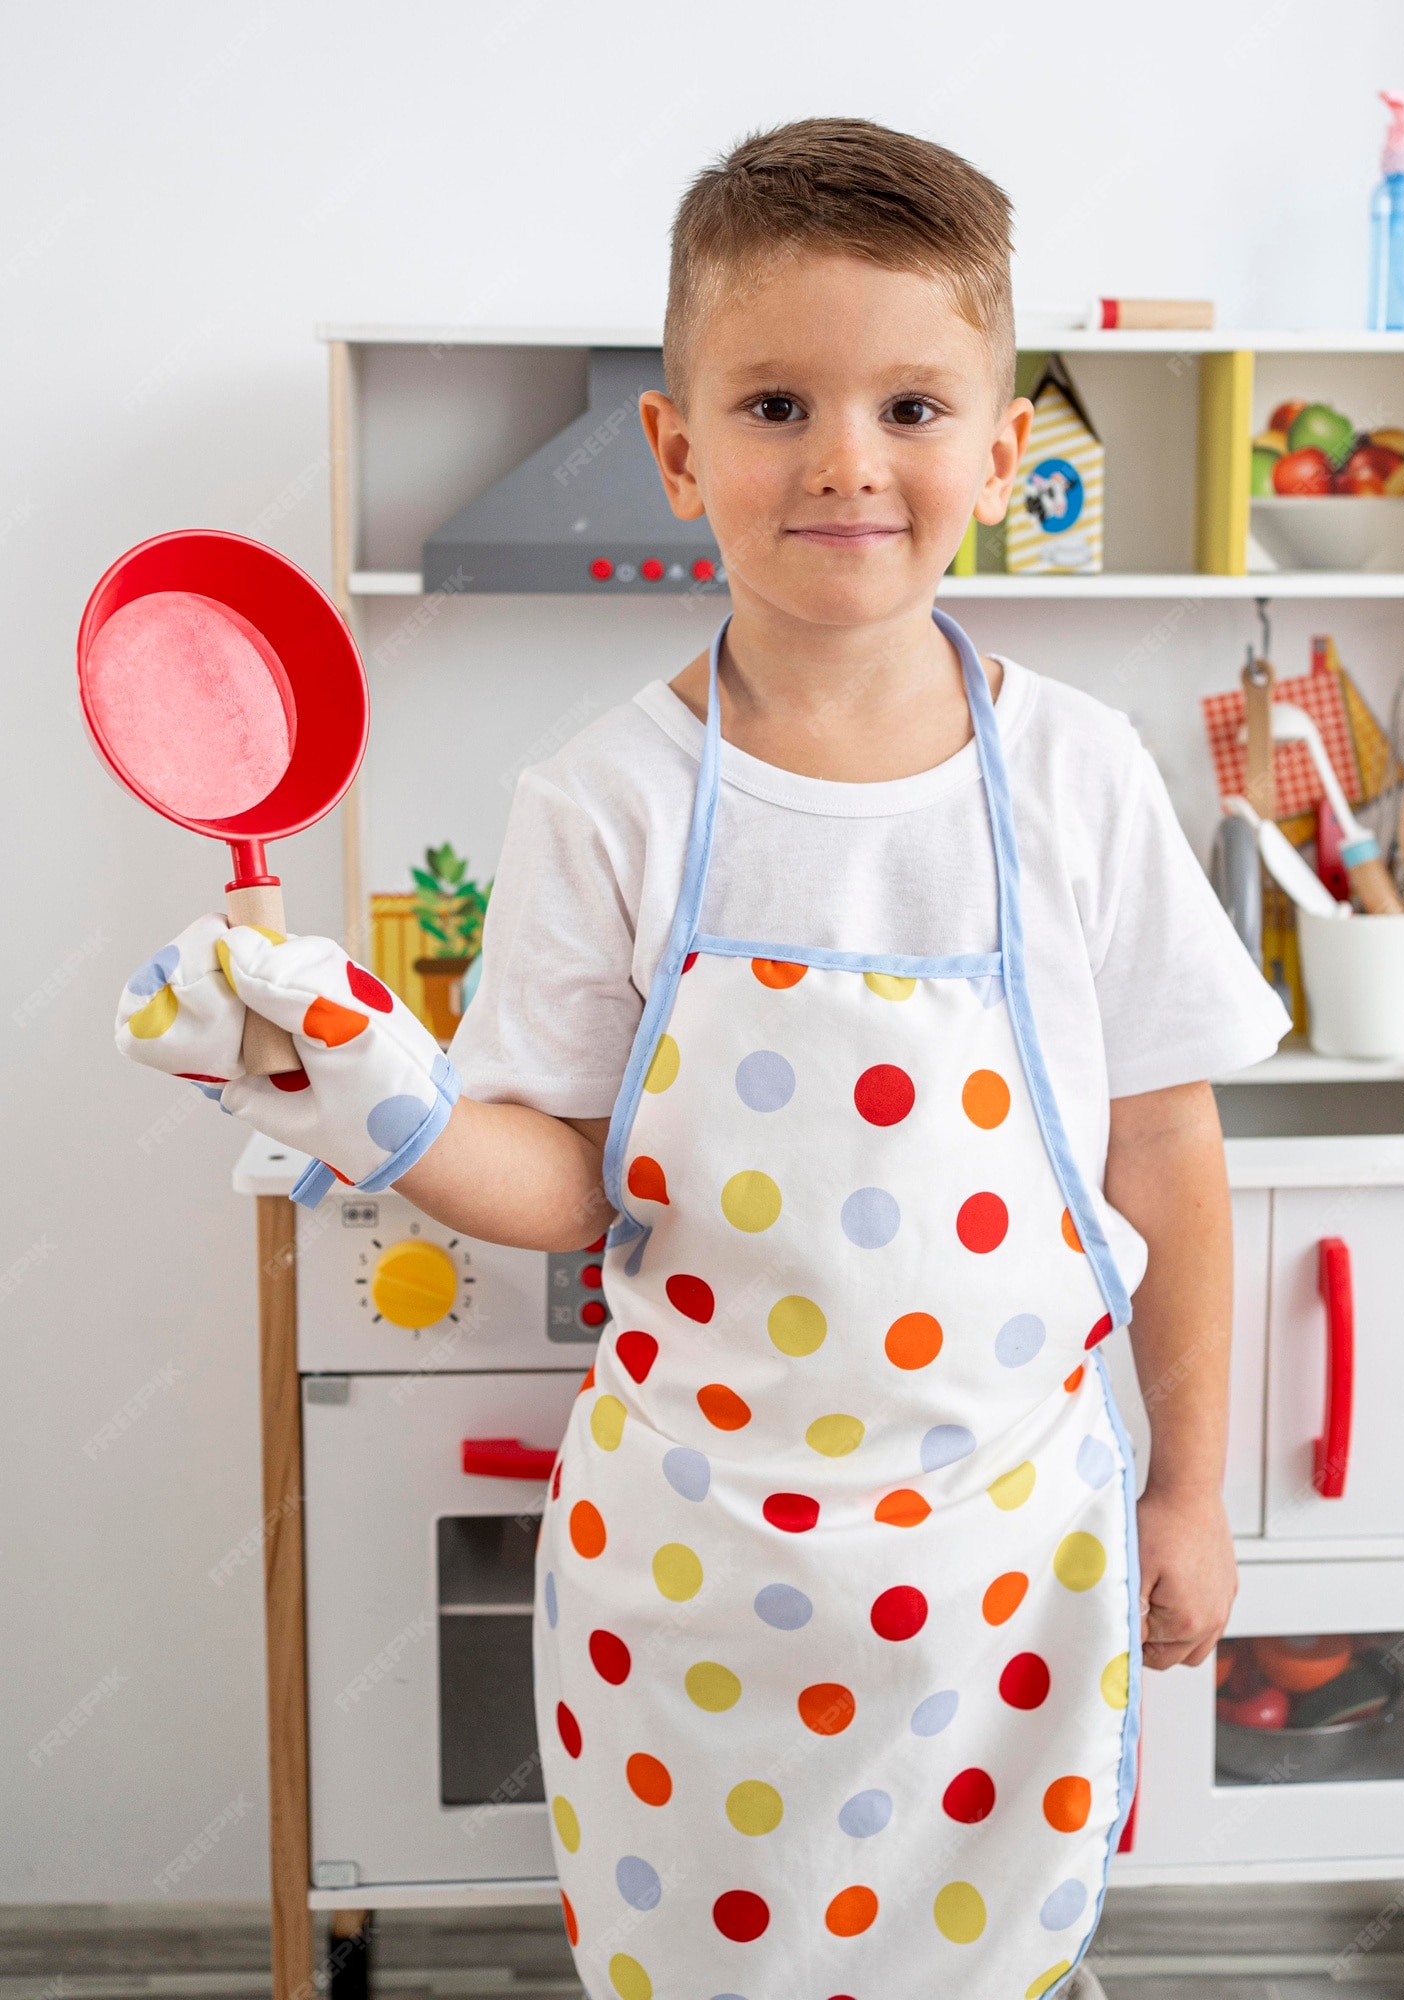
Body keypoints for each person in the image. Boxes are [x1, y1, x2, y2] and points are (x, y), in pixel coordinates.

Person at [117, 118, 1288, 2000]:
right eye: (773, 404)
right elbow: (563, 1176)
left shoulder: (1076, 778)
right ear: (677, 452)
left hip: (1009, 1580)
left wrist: (1191, 1489)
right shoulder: (605, 801)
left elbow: (1162, 1139)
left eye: (914, 405)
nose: (847, 460)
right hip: (695, 1588)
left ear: (1002, 450)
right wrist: (375, 1095)